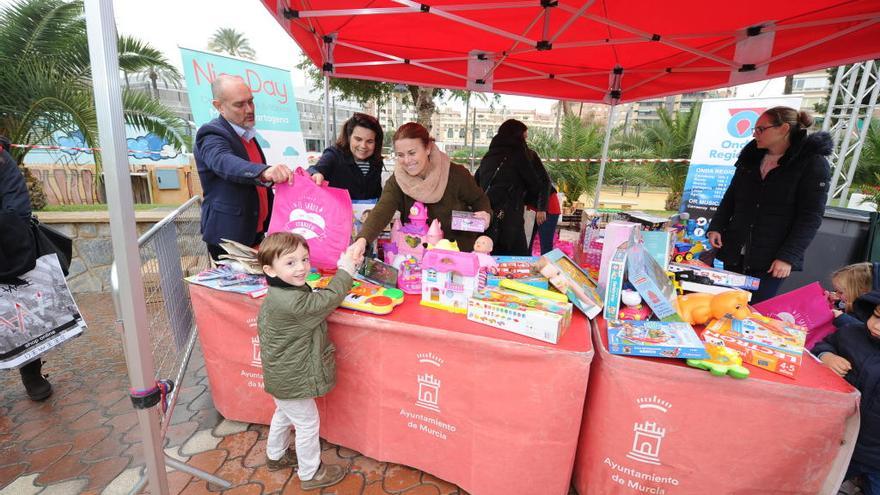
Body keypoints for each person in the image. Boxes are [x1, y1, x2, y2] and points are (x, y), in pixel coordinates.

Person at [256, 232, 360, 489]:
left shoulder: (280, 291)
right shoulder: (292, 303)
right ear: (269, 269)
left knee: (284, 413)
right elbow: (328, 299)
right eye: (290, 263)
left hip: (282, 376)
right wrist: (345, 269)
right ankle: (310, 473)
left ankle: (276, 456)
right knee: (307, 423)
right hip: (294, 376)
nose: (301, 267)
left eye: (304, 259)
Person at [706, 107, 832, 303]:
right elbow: (731, 196)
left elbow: (810, 217)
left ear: (783, 129)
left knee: (755, 310)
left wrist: (788, 257)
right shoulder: (751, 156)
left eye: (760, 129)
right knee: (724, 304)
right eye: (754, 129)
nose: (755, 134)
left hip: (772, 259)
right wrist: (716, 226)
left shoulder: (812, 163)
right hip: (734, 250)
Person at [349, 123, 491, 257]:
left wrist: (485, 214)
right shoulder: (398, 180)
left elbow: (479, 199)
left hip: (458, 255)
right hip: (416, 259)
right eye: (400, 155)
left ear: (428, 148)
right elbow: (382, 210)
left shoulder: (455, 174)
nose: (406, 160)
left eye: (412, 153)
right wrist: (362, 240)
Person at [194, 74, 293, 261]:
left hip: (255, 232)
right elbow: (223, 161)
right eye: (240, 105)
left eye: (251, 102)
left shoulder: (247, 134)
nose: (249, 109)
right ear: (219, 106)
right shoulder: (211, 133)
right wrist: (264, 171)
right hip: (229, 238)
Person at [0, 137, 52, 401]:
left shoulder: (2, 160)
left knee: (19, 313)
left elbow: (17, 207)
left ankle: (31, 372)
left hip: (8, 248)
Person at [813, 290, 880, 494]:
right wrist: (826, 356)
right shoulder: (851, 333)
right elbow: (823, 345)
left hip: (876, 455)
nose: (876, 326)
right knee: (820, 483)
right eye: (876, 316)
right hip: (838, 437)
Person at [475, 119, 544, 256]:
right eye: (524, 138)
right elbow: (535, 185)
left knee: (488, 258)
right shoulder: (519, 155)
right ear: (517, 137)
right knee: (516, 259)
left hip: (488, 215)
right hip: (510, 217)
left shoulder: (489, 155)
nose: (525, 142)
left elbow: (477, 182)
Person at [309, 113, 385, 200]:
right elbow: (313, 170)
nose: (363, 146)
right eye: (358, 139)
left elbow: (377, 195)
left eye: (370, 141)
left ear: (376, 143)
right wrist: (315, 174)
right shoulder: (333, 155)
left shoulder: (377, 162)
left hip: (368, 213)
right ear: (349, 137)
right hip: (337, 212)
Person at [827, 262, 880, 329]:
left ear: (859, 293)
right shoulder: (851, 303)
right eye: (836, 291)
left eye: (840, 292)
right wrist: (834, 303)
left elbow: (863, 333)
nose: (836, 294)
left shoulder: (871, 315)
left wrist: (842, 319)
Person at [527, 160, 561, 255]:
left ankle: (546, 268)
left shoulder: (532, 169)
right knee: (527, 243)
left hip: (548, 208)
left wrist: (542, 209)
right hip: (532, 208)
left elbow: (546, 185)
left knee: (546, 245)